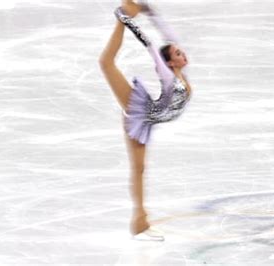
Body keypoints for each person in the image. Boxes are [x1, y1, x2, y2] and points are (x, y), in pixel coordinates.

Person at [98, 0, 192, 240]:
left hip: (150, 118)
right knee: (106, 63)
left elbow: (167, 34)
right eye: (178, 54)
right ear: (170, 62)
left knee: (140, 168)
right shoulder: (167, 76)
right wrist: (126, 19)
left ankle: (140, 223)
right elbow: (150, 45)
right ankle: (139, 223)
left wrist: (150, 11)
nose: (183, 54)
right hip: (140, 112)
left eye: (181, 52)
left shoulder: (181, 73)